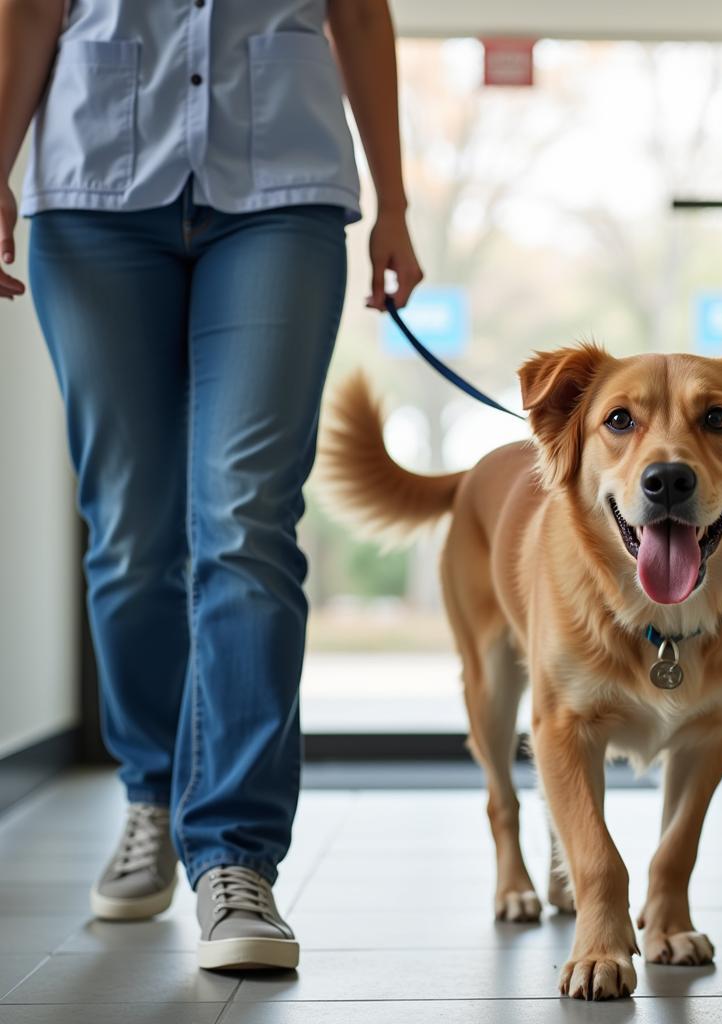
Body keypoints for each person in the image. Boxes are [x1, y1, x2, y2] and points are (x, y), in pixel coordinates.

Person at [0, 0, 422, 971]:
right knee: (131, 530)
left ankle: (235, 854)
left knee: (244, 515)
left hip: (282, 186)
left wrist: (393, 199)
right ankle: (153, 790)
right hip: (97, 184)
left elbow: (357, 10)